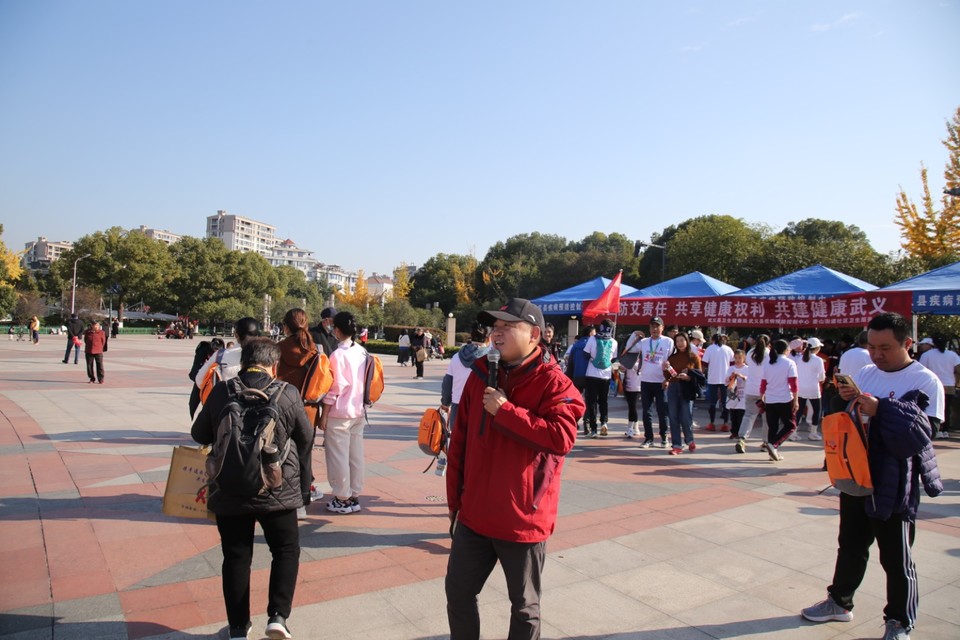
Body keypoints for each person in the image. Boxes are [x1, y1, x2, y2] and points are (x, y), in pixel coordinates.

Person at [445, 298, 585, 640]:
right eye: (495, 327)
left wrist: (506, 411)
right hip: (475, 515)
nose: (497, 333)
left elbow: (561, 437)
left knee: (524, 607)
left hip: (522, 520)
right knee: (458, 593)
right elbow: (459, 442)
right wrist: (455, 504)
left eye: (508, 327)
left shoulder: (554, 382)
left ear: (534, 335)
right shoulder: (480, 374)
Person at [801, 312, 943, 640]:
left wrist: (882, 409)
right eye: (872, 347)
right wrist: (843, 400)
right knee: (850, 544)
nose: (877, 354)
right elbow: (844, 417)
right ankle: (840, 601)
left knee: (896, 557)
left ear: (907, 343)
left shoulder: (924, 380)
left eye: (885, 348)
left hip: (895, 481)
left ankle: (899, 621)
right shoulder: (866, 373)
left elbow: (926, 432)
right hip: (856, 472)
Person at [191, 337, 313, 640]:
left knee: (236, 556)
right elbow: (306, 438)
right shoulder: (287, 392)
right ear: (274, 365)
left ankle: (237, 628)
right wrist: (304, 488)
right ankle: (278, 617)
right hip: (277, 487)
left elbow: (199, 433)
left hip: (229, 486)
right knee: (285, 550)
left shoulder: (222, 391)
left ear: (244, 362)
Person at [320, 311, 369, 514]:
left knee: (338, 456)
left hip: (340, 412)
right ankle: (354, 494)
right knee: (355, 455)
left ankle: (342, 498)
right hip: (359, 410)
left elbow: (336, 388)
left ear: (337, 330)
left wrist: (324, 414)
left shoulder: (338, 355)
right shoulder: (362, 351)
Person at [441, 320, 492, 436]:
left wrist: (445, 403)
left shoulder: (456, 357)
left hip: (457, 405)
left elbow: (447, 383)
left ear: (471, 336)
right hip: (481, 407)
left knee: (457, 440)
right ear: (489, 338)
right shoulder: (491, 358)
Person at [631, 316, 673, 448]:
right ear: (649, 328)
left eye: (657, 326)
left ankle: (664, 437)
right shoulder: (644, 342)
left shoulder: (668, 341)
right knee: (647, 412)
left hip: (661, 382)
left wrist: (668, 379)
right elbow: (630, 349)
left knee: (662, 411)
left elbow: (672, 360)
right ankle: (648, 438)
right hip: (646, 381)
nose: (654, 329)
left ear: (662, 328)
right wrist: (633, 335)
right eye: (652, 326)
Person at [194, 318, 262, 393]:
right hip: (259, 398)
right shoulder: (267, 357)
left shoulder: (220, 355)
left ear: (236, 334)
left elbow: (199, 380)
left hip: (226, 398)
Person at [663, 331, 702, 454]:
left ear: (687, 341)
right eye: (677, 341)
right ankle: (676, 445)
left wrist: (689, 377)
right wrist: (665, 368)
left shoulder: (693, 357)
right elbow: (668, 376)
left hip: (687, 389)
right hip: (673, 387)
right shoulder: (672, 358)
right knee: (673, 417)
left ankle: (690, 440)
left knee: (686, 417)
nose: (679, 343)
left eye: (682, 340)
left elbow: (700, 376)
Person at [760, 339, 798, 462]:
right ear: (786, 350)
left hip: (770, 399)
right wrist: (796, 400)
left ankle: (772, 452)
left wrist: (762, 396)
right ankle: (774, 445)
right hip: (784, 399)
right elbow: (793, 384)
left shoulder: (768, 364)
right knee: (791, 425)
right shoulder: (789, 363)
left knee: (773, 427)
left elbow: (763, 383)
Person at [918, 336, 960, 438]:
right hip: (949, 384)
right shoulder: (952, 355)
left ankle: (936, 429)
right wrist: (956, 382)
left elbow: (921, 370)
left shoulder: (927, 355)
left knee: (933, 408)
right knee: (947, 408)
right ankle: (945, 430)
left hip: (932, 385)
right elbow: (958, 370)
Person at [583, 319, 617, 438]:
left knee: (592, 402)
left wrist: (592, 359)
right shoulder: (614, 342)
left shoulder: (592, 339)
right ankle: (604, 423)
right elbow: (614, 359)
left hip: (592, 374)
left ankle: (593, 429)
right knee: (603, 401)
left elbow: (585, 354)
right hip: (606, 375)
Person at [736, 334, 769, 454]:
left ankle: (742, 439)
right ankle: (766, 442)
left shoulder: (750, 353)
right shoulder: (769, 354)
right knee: (767, 418)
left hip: (750, 388)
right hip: (765, 390)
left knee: (749, 415)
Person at [796, 337, 827, 440]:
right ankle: (813, 432)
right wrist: (820, 379)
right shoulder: (818, 360)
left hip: (801, 387)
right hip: (813, 388)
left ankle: (793, 432)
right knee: (817, 410)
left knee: (799, 410)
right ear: (817, 348)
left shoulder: (800, 358)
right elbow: (821, 376)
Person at [702, 333, 734, 431]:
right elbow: (732, 363)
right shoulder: (728, 349)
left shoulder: (709, 349)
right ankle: (725, 424)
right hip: (726, 378)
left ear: (713, 340)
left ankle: (712, 423)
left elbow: (704, 363)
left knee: (712, 402)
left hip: (713, 378)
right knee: (725, 402)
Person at [725, 349, 749, 441]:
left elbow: (749, 379)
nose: (738, 360)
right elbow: (726, 380)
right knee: (733, 414)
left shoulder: (747, 369)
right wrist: (731, 377)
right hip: (733, 395)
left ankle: (740, 432)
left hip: (743, 394)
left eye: (740, 358)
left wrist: (741, 376)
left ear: (744, 358)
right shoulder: (731, 368)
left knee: (741, 414)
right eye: (736, 358)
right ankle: (734, 432)